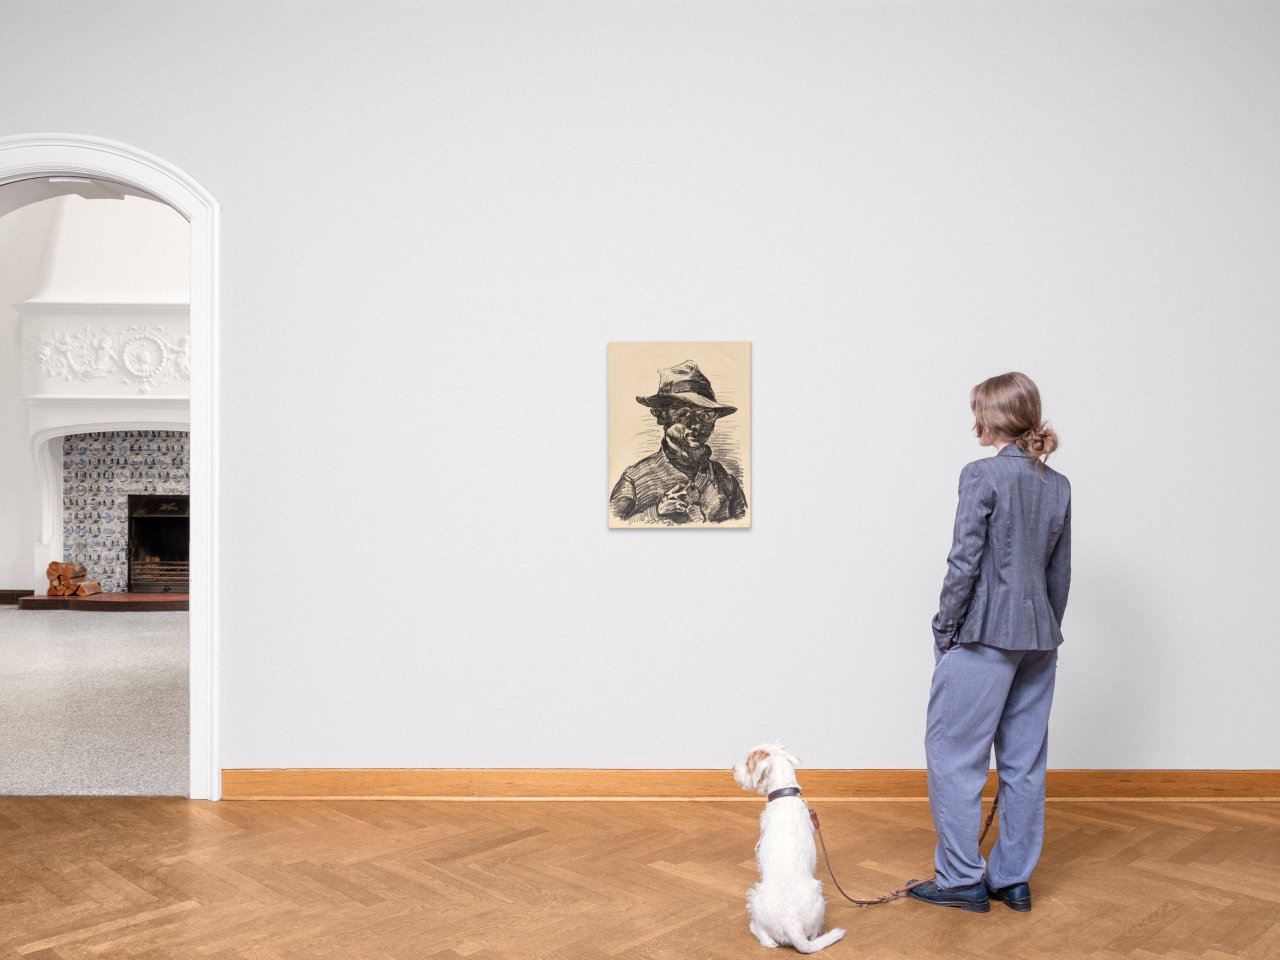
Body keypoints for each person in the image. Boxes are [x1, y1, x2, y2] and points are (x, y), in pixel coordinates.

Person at [908, 371, 1072, 914]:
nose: (972, 420)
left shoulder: (981, 474)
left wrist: (944, 628)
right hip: (1039, 637)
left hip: (983, 634)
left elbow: (964, 562)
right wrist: (1044, 628)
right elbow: (1058, 575)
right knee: (1024, 762)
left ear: (992, 417)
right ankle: (1012, 880)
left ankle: (959, 879)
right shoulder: (1059, 484)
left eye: (976, 409)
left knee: (955, 757)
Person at [609, 360, 748, 524]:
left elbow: (743, 523)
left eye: (706, 416)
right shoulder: (634, 480)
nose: (696, 425)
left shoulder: (725, 480)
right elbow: (612, 524)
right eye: (684, 414)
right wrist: (656, 512)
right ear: (661, 416)